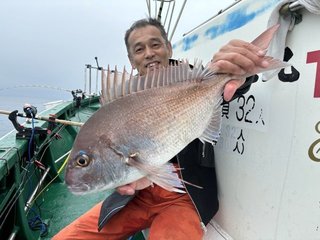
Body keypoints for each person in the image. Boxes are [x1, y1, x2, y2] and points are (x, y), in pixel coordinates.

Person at [53, 18, 267, 240]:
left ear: (168, 48)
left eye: (155, 44)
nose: (149, 53)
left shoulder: (195, 79)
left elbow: (229, 88)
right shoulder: (122, 100)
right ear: (131, 59)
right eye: (139, 49)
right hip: (135, 198)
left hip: (184, 197)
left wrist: (242, 72)